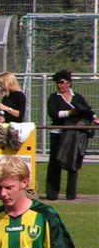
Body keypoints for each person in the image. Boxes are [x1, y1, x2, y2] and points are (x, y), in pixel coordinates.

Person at [46, 69, 99, 201]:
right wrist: (69, 113)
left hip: (73, 135)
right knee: (54, 163)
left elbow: (87, 111)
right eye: (57, 83)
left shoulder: (78, 97)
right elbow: (53, 113)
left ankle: (71, 194)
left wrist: (95, 118)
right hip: (58, 133)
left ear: (69, 83)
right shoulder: (54, 97)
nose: (59, 85)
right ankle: (52, 194)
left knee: (73, 163)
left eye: (62, 82)